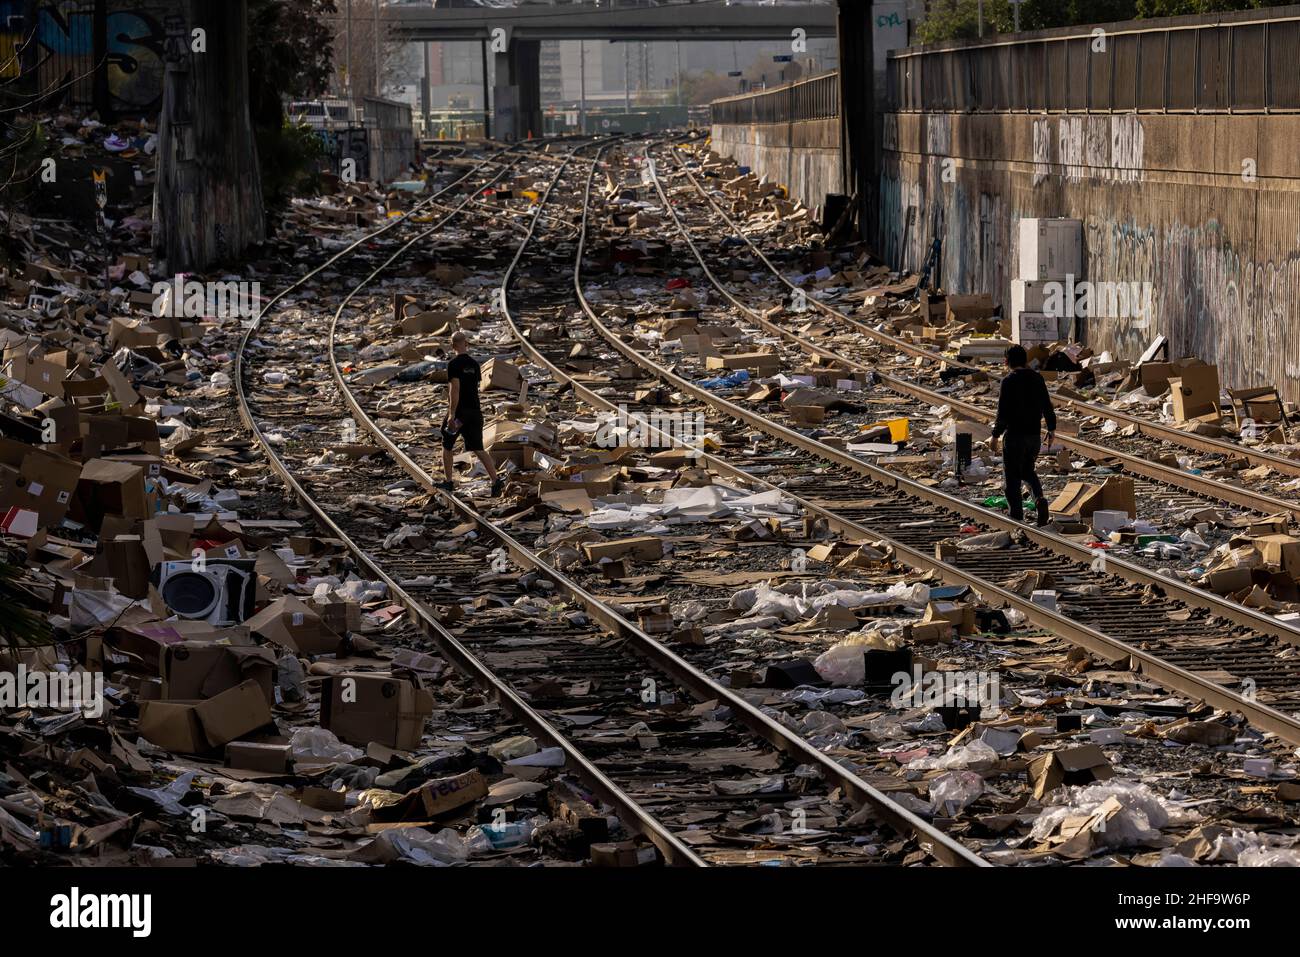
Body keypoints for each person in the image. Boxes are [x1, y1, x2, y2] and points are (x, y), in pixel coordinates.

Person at [989, 344, 1056, 525]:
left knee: (1012, 477)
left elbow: (1002, 413)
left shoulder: (1008, 381)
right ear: (1025, 360)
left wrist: (995, 435)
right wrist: (1051, 429)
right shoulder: (1037, 378)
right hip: (1033, 436)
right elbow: (1047, 406)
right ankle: (1039, 499)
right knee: (1028, 471)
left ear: (1006, 361)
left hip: (1014, 437)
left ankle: (1016, 516)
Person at [440, 331, 503, 496]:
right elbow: (473, 389)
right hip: (475, 413)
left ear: (452, 346)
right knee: (478, 448)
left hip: (460, 414)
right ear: (466, 344)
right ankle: (496, 481)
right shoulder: (475, 365)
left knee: (447, 444)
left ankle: (448, 482)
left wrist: (452, 415)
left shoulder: (453, 364)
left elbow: (455, 390)